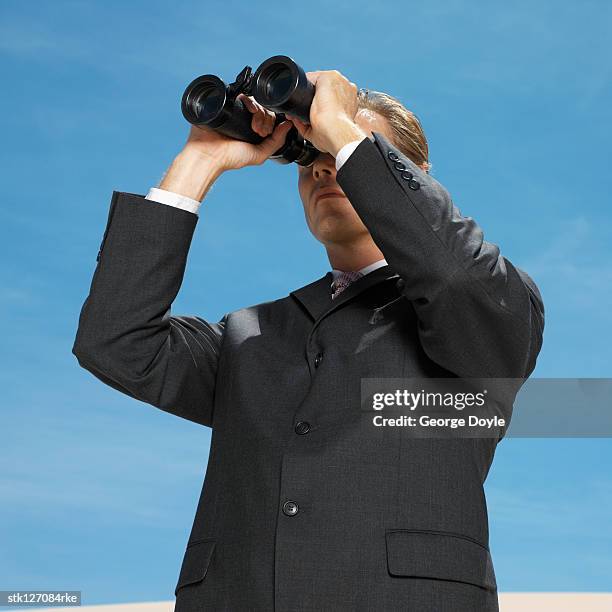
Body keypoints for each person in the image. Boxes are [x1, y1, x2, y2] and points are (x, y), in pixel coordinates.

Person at [72, 69, 545, 611]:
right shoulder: (249, 336)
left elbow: (455, 276)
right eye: (310, 157)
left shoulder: (492, 306)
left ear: (415, 174)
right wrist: (199, 160)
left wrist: (342, 130)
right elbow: (114, 339)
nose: (323, 165)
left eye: (336, 153)